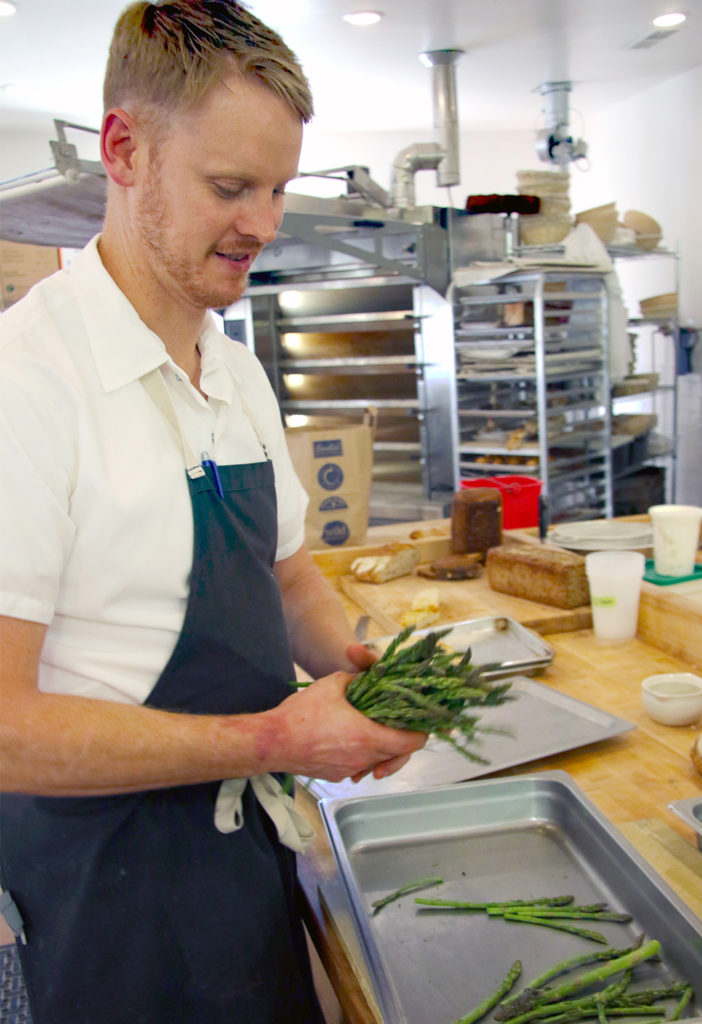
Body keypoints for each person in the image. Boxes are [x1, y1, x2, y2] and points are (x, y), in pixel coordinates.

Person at [0, 3, 425, 1022]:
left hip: (245, 862)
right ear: (124, 150)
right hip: (111, 899)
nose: (265, 226)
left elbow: (285, 578)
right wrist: (274, 738)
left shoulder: (235, 375)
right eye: (230, 187)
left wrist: (364, 667)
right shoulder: (29, 382)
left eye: (277, 189)